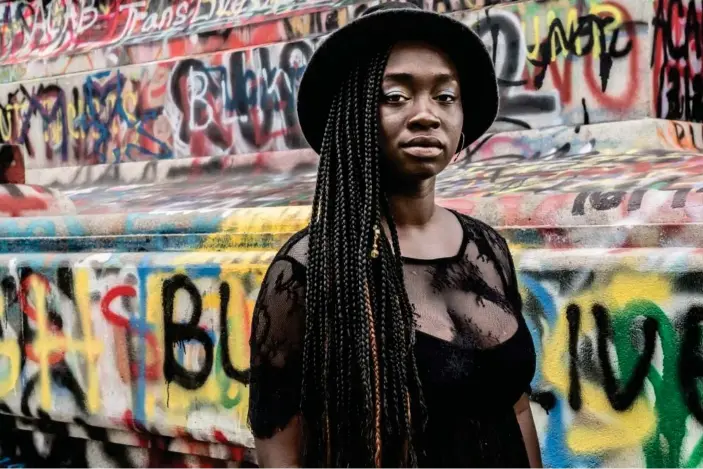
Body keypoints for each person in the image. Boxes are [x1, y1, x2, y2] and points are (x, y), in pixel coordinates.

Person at [247, 3, 541, 467]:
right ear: (354, 114)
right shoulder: (307, 270)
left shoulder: (488, 250)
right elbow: (279, 448)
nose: (426, 114)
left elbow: (516, 407)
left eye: (445, 96)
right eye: (396, 96)